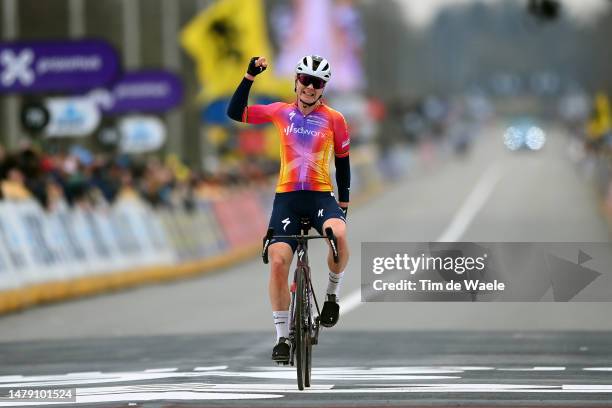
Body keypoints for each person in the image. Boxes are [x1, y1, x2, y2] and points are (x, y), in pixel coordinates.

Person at [227, 55, 351, 363]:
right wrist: (249, 76)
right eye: (305, 80)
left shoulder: (335, 118)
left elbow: (343, 164)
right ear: (296, 81)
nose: (310, 87)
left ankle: (332, 296)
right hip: (287, 199)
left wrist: (344, 204)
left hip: (321, 196)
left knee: (339, 234)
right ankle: (282, 336)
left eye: (317, 83)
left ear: (323, 88)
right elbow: (236, 112)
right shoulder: (280, 112)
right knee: (279, 261)